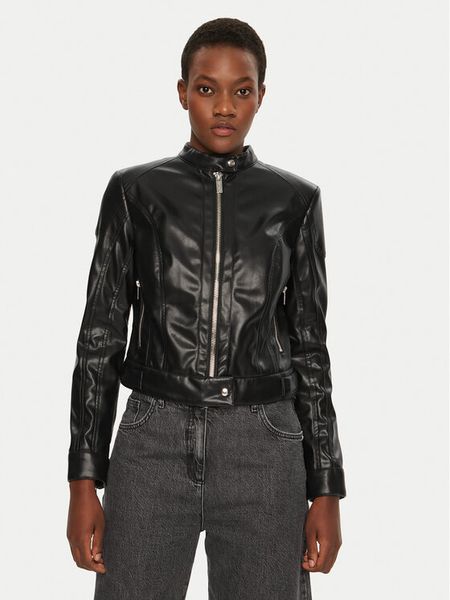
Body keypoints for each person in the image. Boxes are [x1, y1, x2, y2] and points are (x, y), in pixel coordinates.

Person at [66, 16, 347, 600]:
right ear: (182, 92)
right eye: (206, 88)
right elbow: (99, 338)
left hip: (265, 445)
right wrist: (84, 478)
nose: (223, 107)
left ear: (261, 96)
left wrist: (326, 485)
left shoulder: (294, 202)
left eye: (241, 90)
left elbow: (310, 350)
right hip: (152, 440)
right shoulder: (135, 193)